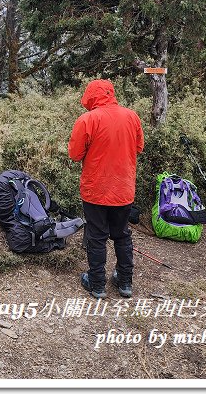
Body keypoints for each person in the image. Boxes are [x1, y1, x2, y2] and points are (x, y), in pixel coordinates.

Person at [68, 79, 144, 298]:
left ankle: (97, 284)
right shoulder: (132, 116)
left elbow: (75, 155)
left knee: (97, 236)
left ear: (90, 96)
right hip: (123, 189)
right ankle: (125, 282)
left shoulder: (87, 119)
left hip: (96, 190)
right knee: (122, 235)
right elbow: (138, 147)